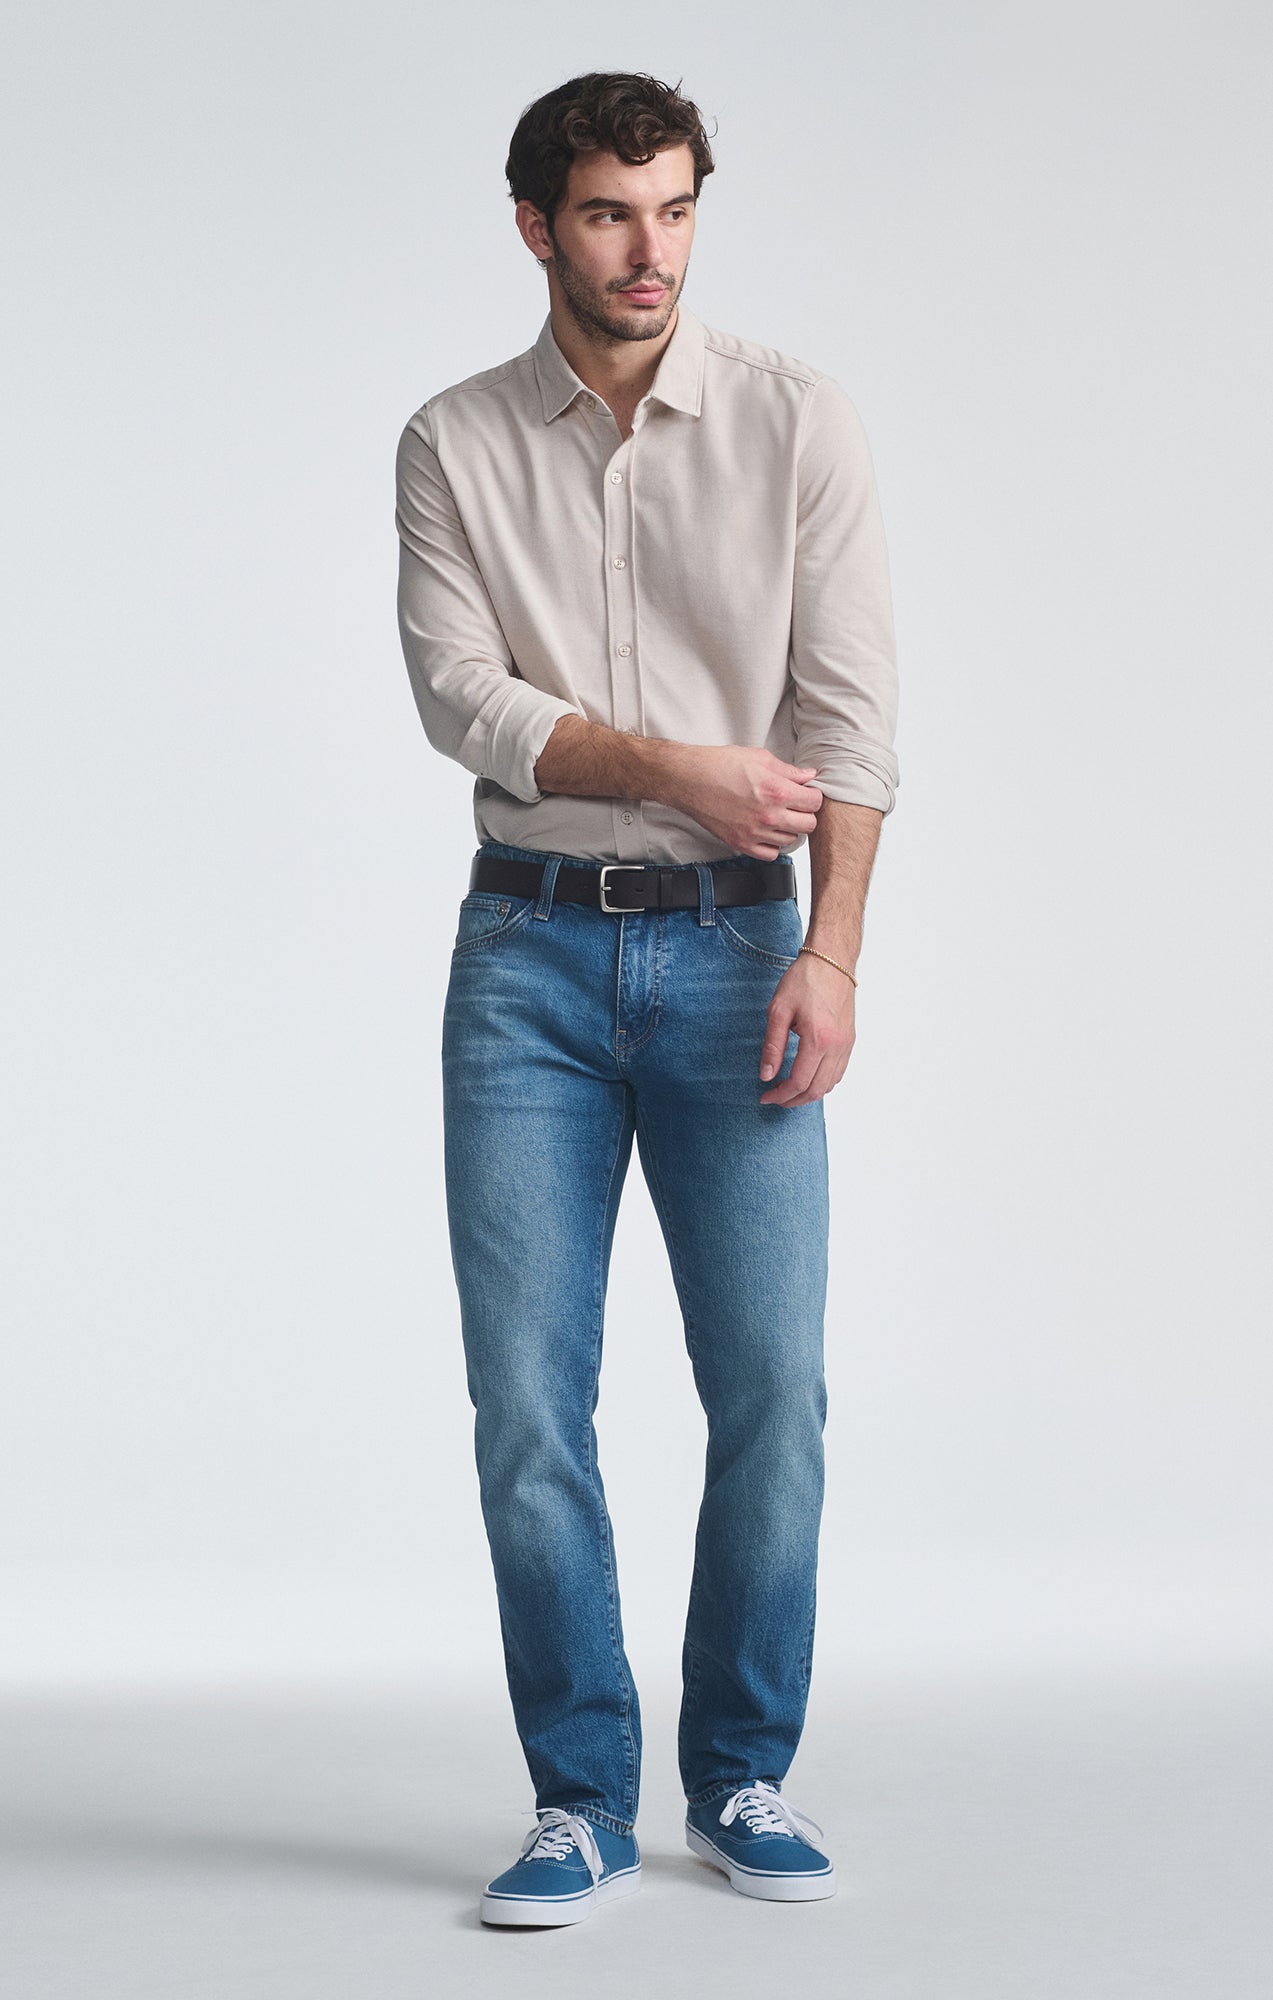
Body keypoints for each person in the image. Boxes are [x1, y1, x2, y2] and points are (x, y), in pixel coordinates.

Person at [394, 69, 900, 1927]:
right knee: (528, 1403)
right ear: (536, 225)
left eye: (674, 209)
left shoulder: (793, 421)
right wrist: (674, 763)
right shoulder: (452, 443)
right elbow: (462, 698)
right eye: (609, 213)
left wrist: (832, 953)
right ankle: (579, 1795)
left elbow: (852, 723)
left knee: (771, 1388)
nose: (648, 251)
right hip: (523, 963)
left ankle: (741, 1769)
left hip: (740, 959)